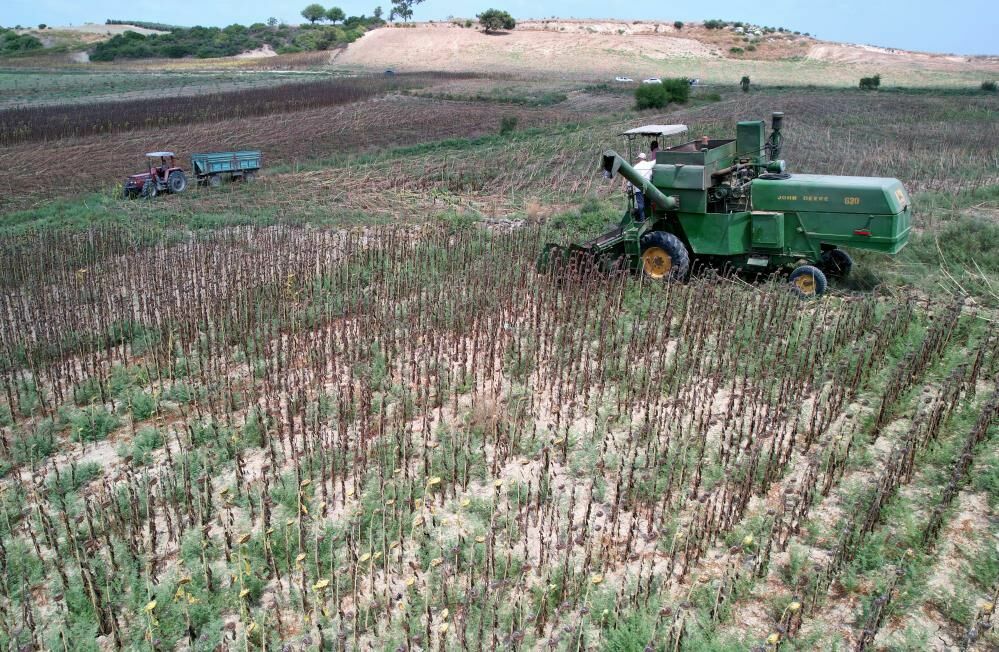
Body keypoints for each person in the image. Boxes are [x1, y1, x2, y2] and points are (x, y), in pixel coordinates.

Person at [631, 152, 655, 221]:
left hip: (639, 188)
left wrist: (628, 185)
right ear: (645, 158)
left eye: (638, 158)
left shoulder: (635, 167)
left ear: (640, 158)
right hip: (648, 187)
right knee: (648, 202)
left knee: (640, 204)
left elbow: (631, 177)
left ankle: (642, 219)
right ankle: (649, 216)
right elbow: (656, 160)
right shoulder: (649, 164)